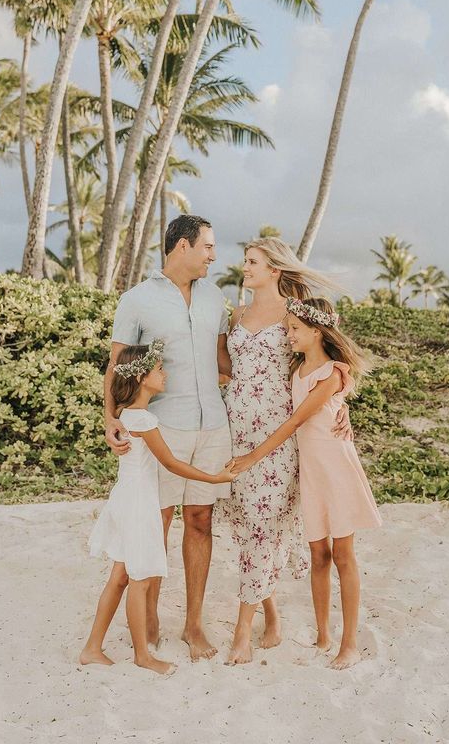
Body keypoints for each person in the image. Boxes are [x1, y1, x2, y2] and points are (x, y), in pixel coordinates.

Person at [104, 215, 232, 660]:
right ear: (182, 246)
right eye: (209, 247)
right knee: (154, 527)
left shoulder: (217, 298)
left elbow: (223, 359)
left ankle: (194, 624)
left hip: (213, 424)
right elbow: (118, 363)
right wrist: (110, 418)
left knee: (201, 522)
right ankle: (151, 617)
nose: (214, 255)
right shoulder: (136, 300)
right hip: (164, 427)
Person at [229, 297, 381, 671]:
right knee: (318, 555)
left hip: (334, 467)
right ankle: (323, 635)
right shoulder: (297, 368)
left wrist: (252, 457)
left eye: (295, 329)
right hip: (310, 471)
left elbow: (296, 421)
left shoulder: (330, 374)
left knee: (343, 554)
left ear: (317, 331)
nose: (288, 334)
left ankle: (349, 644)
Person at [219, 237, 350, 665]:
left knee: (261, 524)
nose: (244, 267)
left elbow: (325, 355)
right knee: (248, 527)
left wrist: (340, 400)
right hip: (235, 431)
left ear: (275, 268)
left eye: (252, 261)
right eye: (245, 261)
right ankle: (271, 615)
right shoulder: (236, 314)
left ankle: (243, 630)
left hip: (276, 438)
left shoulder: (295, 313)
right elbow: (224, 368)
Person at [82, 341, 237, 675]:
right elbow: (171, 463)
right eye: (158, 370)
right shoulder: (143, 419)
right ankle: (142, 656)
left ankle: (92, 647)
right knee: (138, 578)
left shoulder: (127, 415)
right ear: (141, 377)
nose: (165, 375)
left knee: (120, 576)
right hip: (140, 504)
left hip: (127, 498)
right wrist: (214, 477)